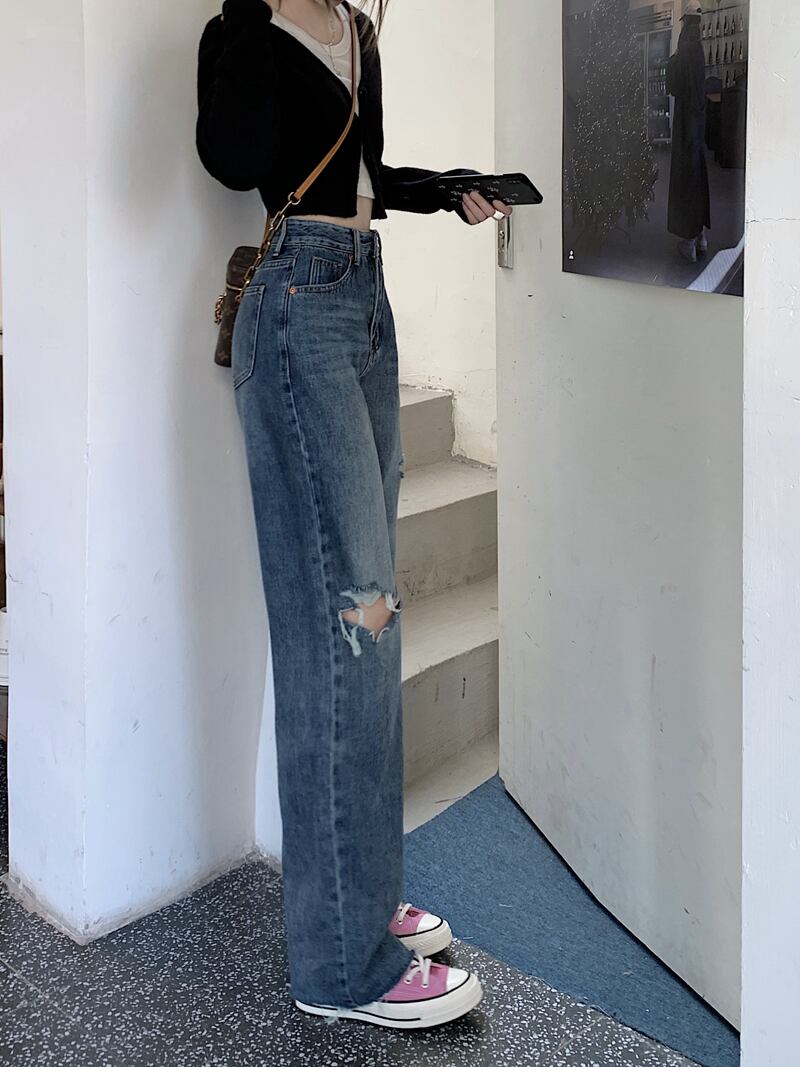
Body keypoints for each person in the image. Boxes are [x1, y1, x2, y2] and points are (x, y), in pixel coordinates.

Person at [195, 0, 511, 1031]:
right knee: (348, 629)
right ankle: (340, 962)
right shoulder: (240, 30)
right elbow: (233, 157)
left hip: (363, 300)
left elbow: (360, 176)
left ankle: (361, 900)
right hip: (296, 311)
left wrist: (442, 189)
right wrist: (252, 11)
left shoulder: (357, 31)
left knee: (371, 624)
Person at [666, 4, 711, 262]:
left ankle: (689, 241)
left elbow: (673, 86)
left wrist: (672, 60)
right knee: (698, 177)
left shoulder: (682, 52)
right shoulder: (700, 50)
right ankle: (701, 236)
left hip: (684, 125)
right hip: (698, 124)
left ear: (684, 23)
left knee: (685, 181)